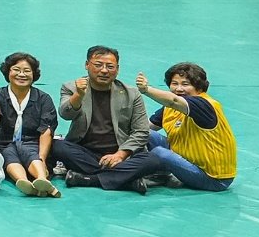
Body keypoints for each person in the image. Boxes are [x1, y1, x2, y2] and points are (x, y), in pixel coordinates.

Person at [51, 45, 163, 194]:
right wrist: (78, 95)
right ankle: (126, 180)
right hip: (85, 152)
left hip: (122, 153)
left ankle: (90, 179)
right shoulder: (71, 87)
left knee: (153, 160)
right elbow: (66, 114)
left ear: (117, 69)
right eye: (98, 65)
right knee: (58, 146)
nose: (104, 70)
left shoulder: (132, 94)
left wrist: (120, 155)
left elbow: (141, 131)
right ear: (87, 65)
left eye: (110, 66)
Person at [138, 63, 237, 192]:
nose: (179, 89)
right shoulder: (170, 108)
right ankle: (159, 174)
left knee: (159, 153)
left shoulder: (204, 105)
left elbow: (173, 100)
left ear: (199, 87)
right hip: (187, 160)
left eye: (185, 84)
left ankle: (156, 174)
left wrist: (146, 90)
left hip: (214, 178)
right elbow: (144, 128)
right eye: (174, 83)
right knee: (143, 132)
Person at [0, 51, 59, 197]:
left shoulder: (43, 98)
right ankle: (24, 182)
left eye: (27, 71)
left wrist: (42, 158)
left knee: (30, 152)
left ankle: (42, 179)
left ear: (34, 74)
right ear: (8, 72)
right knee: (8, 154)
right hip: (5, 142)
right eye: (16, 70)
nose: (21, 74)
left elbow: (46, 130)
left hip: (34, 143)